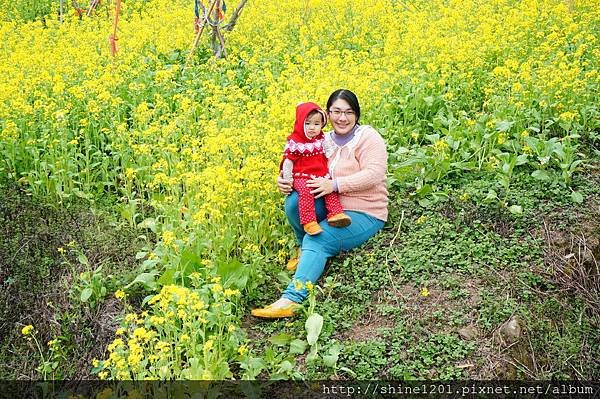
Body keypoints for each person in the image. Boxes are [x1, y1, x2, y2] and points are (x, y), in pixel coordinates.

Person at [251, 89, 389, 318]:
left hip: (364, 211)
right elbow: (299, 167)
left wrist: (335, 185)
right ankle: (302, 249)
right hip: (329, 205)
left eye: (349, 112)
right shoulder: (321, 139)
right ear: (327, 114)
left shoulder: (367, 137)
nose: (342, 118)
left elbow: (374, 174)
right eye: (336, 111)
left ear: (357, 114)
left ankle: (291, 300)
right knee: (294, 202)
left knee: (320, 238)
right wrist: (284, 181)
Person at [280, 102, 352, 236]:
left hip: (319, 173)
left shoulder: (321, 139)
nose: (312, 128)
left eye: (316, 124)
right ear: (300, 123)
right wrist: (287, 178)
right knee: (305, 192)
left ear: (322, 124)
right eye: (307, 124)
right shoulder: (295, 142)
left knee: (329, 189)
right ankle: (309, 222)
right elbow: (288, 162)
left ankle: (336, 214)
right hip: (300, 175)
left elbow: (330, 152)